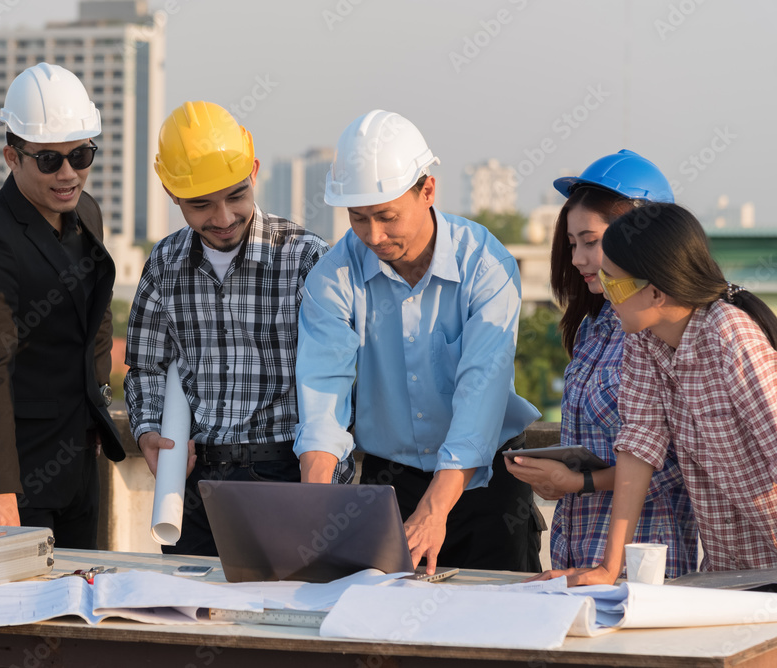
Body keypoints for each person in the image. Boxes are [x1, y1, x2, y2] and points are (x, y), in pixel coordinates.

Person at [295, 109, 543, 574]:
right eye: (358, 219)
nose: (374, 236)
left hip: (489, 482)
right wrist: (315, 500)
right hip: (392, 484)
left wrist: (434, 510)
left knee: (497, 632)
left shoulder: (485, 265)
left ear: (427, 190)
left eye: (387, 217)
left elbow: (480, 395)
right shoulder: (333, 276)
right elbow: (323, 392)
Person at [125, 101, 338, 556]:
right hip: (198, 485)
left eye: (235, 196)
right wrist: (147, 431)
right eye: (201, 204)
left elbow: (342, 383)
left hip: (288, 474)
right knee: (191, 619)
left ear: (254, 171)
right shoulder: (164, 265)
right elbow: (146, 367)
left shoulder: (305, 259)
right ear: (170, 192)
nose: (222, 218)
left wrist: (319, 485)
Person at [537, 203, 777, 585]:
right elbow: (639, 444)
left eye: (612, 281)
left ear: (656, 292)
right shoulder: (643, 341)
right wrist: (608, 567)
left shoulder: (730, 337)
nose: (606, 293)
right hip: (728, 567)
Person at [0, 63, 124, 550]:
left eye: (81, 154)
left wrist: (95, 402)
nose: (69, 173)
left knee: (77, 614)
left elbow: (96, 319)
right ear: (12, 156)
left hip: (79, 468)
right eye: (49, 160)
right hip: (17, 481)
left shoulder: (86, 212)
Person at [505, 150, 697, 578]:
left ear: (642, 236)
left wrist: (581, 482)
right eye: (572, 243)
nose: (576, 258)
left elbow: (679, 459)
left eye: (590, 241)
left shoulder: (667, 328)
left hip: (646, 554)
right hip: (577, 548)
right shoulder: (595, 326)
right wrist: (560, 476)